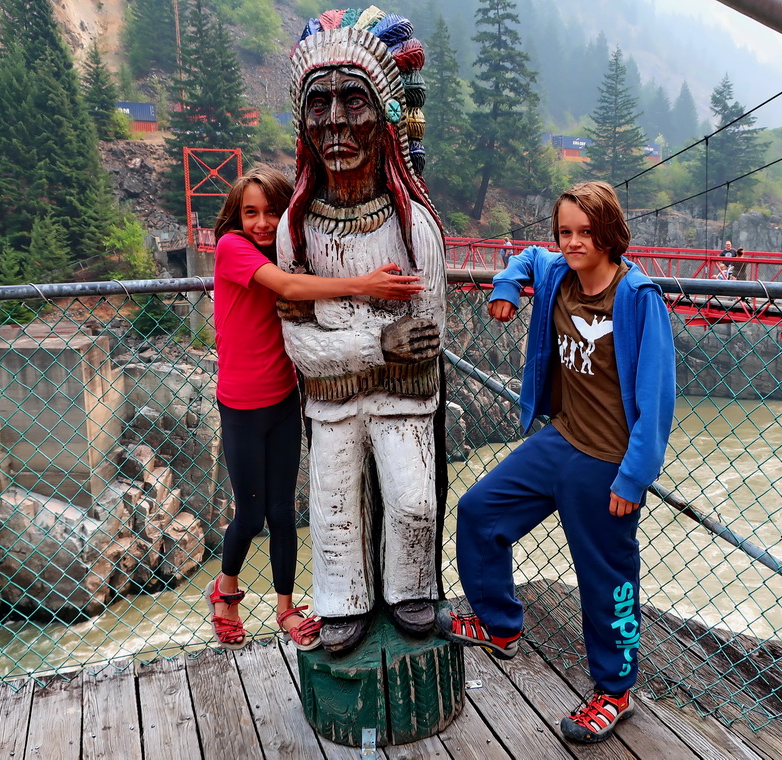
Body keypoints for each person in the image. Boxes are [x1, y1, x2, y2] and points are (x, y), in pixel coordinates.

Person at [439, 181, 676, 744]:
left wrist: (634, 476)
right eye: (565, 231)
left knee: (604, 579)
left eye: (585, 232)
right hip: (560, 440)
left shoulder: (637, 298)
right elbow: (525, 257)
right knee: (479, 511)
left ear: (610, 233)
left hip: (606, 463)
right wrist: (506, 287)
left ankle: (615, 692)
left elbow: (658, 398)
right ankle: (499, 625)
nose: (573, 242)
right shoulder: (556, 274)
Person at [277, 13, 448, 655]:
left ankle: (411, 589)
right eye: (318, 105)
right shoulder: (295, 232)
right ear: (302, 123)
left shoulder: (414, 231)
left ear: (384, 119)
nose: (336, 123)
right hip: (329, 408)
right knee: (333, 513)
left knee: (412, 504)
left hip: (405, 403)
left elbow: (423, 341)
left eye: (354, 101)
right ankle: (341, 599)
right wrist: (377, 344)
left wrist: (344, 348)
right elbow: (301, 349)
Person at [205, 164, 423, 652]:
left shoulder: (285, 252)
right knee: (250, 516)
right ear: (236, 218)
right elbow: (287, 289)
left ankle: (285, 609)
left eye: (272, 212)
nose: (261, 223)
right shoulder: (232, 249)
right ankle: (225, 594)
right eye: (250, 213)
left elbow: (303, 280)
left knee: (283, 513)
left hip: (284, 398)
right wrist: (364, 284)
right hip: (241, 405)